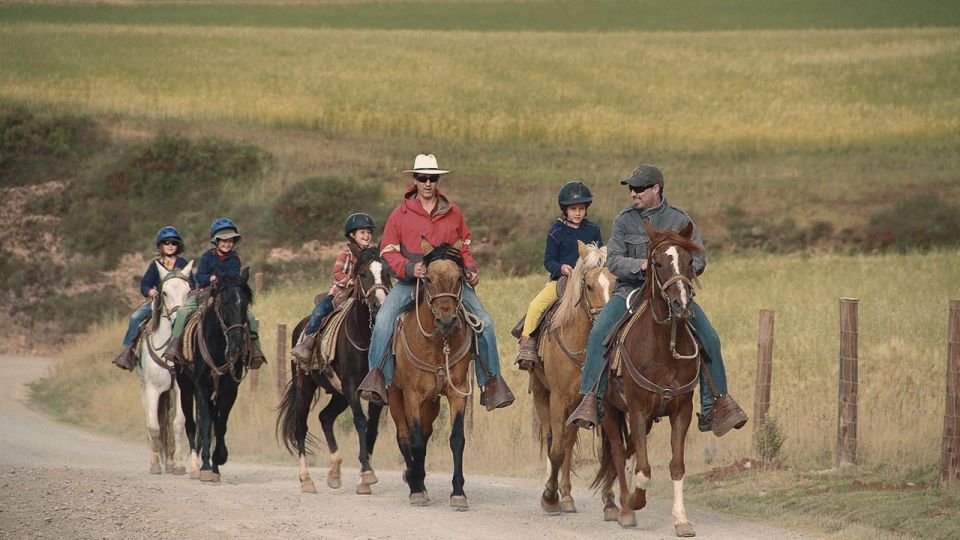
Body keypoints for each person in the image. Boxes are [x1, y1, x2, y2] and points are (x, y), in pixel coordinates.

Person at [566, 164, 748, 436]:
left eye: (638, 189)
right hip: (630, 290)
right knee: (599, 334)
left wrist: (679, 275)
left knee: (710, 338)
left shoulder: (679, 220)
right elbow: (613, 260)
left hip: (672, 292)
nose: (633, 194)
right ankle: (592, 400)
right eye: (630, 189)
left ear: (656, 189)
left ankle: (716, 405)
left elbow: (698, 258)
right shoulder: (624, 220)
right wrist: (641, 266)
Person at [357, 153, 514, 410]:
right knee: (385, 318)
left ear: (437, 180)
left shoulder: (453, 212)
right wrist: (409, 267)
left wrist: (471, 269)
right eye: (423, 178)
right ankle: (378, 378)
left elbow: (464, 247)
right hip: (412, 282)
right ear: (415, 180)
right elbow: (387, 251)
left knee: (485, 322)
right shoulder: (400, 214)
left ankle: (492, 383)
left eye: (433, 178)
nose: (428, 183)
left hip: (451, 284)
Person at [515, 180, 602, 370]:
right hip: (563, 280)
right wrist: (562, 268)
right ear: (565, 210)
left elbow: (599, 255)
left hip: (588, 280)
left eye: (581, 208)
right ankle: (527, 343)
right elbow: (549, 261)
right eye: (573, 209)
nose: (577, 213)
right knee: (536, 305)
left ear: (586, 209)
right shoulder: (556, 231)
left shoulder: (593, 230)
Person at [161, 218, 266, 368]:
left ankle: (255, 350)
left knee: (249, 315)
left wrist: (225, 281)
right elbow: (199, 277)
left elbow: (233, 278)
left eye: (230, 240)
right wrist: (211, 278)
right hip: (205, 292)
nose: (227, 243)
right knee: (184, 311)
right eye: (223, 240)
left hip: (226, 294)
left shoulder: (234, 259)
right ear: (216, 241)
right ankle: (174, 344)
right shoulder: (207, 256)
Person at [291, 213, 377, 363]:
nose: (367, 236)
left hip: (362, 295)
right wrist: (350, 282)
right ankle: (307, 342)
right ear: (352, 235)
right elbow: (337, 272)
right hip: (341, 294)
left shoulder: (371, 256)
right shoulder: (347, 254)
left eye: (369, 233)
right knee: (319, 312)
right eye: (362, 232)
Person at [112, 226, 194, 371]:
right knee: (136, 317)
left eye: (174, 243)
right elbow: (145, 284)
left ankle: (194, 354)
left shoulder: (182, 263)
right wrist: (150, 291)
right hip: (158, 300)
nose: (170, 246)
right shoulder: (155, 264)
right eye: (166, 242)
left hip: (179, 302)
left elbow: (192, 284)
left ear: (178, 246)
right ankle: (128, 351)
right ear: (160, 245)